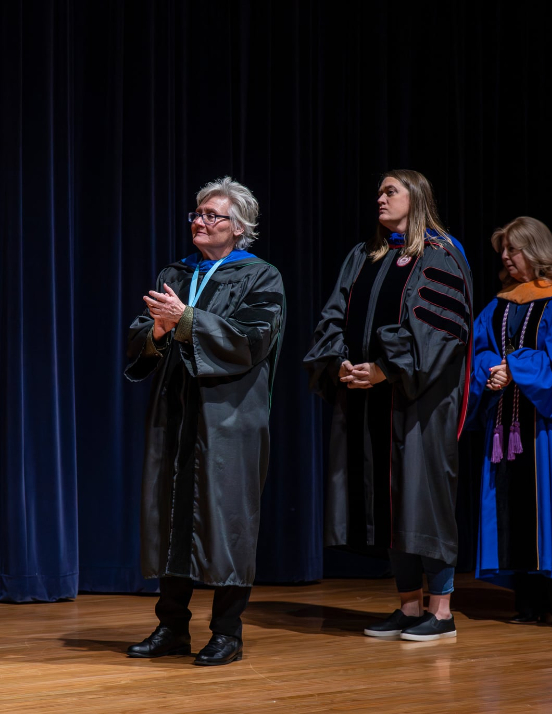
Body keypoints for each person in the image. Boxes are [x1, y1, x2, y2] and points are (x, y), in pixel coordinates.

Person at [304, 169, 473, 642]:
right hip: (366, 400)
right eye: (378, 190)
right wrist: (338, 362)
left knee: (424, 500)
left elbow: (441, 330)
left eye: (389, 190)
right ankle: (408, 607)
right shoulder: (364, 256)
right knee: (391, 504)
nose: (379, 197)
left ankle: (441, 613)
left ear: (416, 197)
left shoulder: (439, 256)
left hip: (420, 403)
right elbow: (333, 314)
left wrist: (385, 368)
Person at [124, 177, 285, 666]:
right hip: (174, 412)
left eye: (212, 215)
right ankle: (171, 626)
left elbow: (253, 340)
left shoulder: (261, 276)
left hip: (229, 416)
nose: (199, 220)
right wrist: (156, 329)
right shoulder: (176, 271)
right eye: (197, 213)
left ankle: (227, 633)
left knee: (228, 521)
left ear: (238, 227)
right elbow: (142, 341)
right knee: (171, 516)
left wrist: (188, 321)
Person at [469, 217, 552, 629]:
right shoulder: (502, 302)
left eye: (513, 249)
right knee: (512, 508)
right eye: (503, 251)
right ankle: (526, 601)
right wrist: (491, 367)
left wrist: (513, 367)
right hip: (506, 421)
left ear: (537, 251)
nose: (505, 258)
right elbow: (480, 346)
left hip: (547, 423)